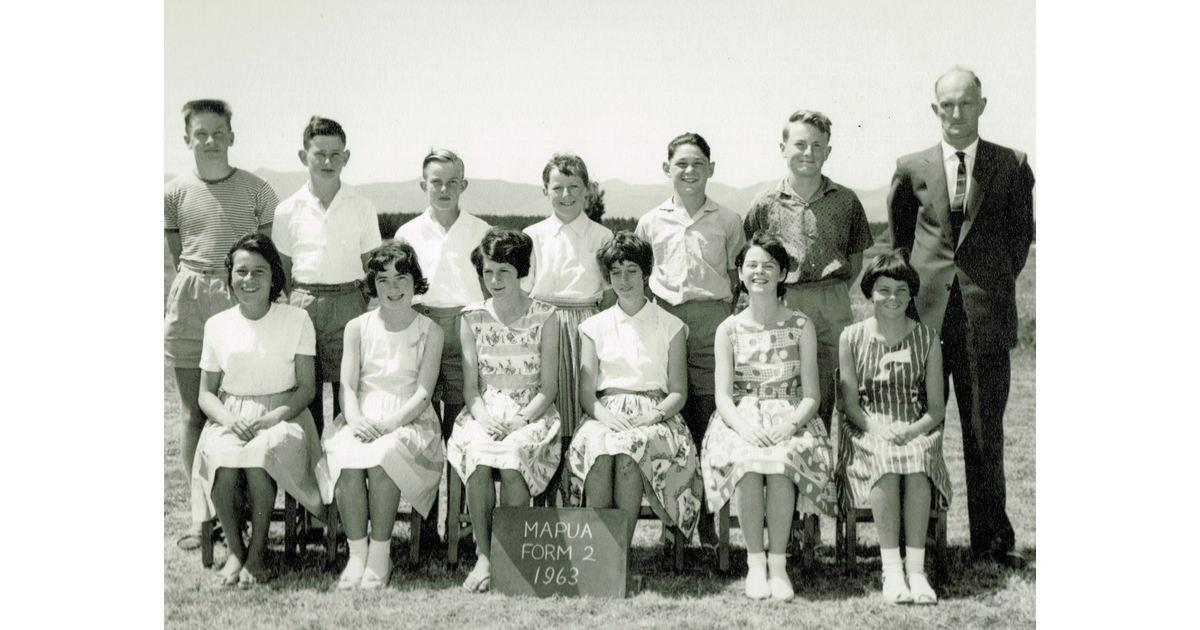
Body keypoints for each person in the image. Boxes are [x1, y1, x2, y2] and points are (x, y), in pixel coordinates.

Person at [887, 67, 1034, 569]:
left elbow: (1019, 241)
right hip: (925, 322)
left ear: (982, 105)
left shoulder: (1011, 165)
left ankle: (991, 541)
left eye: (965, 103)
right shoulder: (912, 167)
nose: (955, 113)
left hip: (984, 320)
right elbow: (901, 241)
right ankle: (925, 540)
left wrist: (984, 286)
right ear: (935, 110)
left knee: (982, 431)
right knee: (922, 429)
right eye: (946, 105)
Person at [165, 99, 279, 550]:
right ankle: (203, 518)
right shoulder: (172, 194)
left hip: (243, 298)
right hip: (190, 303)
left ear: (232, 135)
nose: (210, 141)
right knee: (195, 413)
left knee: (245, 409)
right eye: (200, 133)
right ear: (187, 138)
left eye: (218, 132)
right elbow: (179, 254)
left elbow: (263, 255)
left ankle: (245, 514)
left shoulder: (259, 190)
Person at [701, 232, 836, 601]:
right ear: (741, 275)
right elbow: (723, 396)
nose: (759, 273)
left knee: (780, 461)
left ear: (782, 274)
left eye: (768, 266)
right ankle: (755, 563)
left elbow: (812, 395)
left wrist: (790, 425)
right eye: (751, 266)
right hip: (739, 416)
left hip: (792, 415)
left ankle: (778, 566)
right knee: (746, 460)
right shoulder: (728, 329)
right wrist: (744, 427)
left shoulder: (800, 325)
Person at [192, 234, 327, 587]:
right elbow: (206, 394)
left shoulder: (296, 319)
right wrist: (227, 418)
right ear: (231, 277)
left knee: (260, 455)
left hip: (285, 413)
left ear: (274, 278)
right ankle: (236, 553)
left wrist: (272, 417)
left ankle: (257, 555)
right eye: (242, 272)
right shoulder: (217, 325)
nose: (249, 280)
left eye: (259, 272)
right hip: (231, 414)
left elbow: (307, 388)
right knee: (221, 459)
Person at [635, 132, 744, 547]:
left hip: (711, 323)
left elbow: (735, 280)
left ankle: (708, 526)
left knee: (706, 418)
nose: (689, 170)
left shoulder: (728, 220)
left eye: (698, 163)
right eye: (681, 163)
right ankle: (672, 522)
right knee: (669, 422)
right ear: (667, 169)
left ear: (711, 169)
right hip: (665, 324)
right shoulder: (650, 221)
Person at [566, 232, 705, 551]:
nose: (624, 280)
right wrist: (604, 415)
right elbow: (587, 394)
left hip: (657, 415)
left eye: (631, 271)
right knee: (599, 452)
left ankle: (618, 554)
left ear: (645, 273)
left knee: (629, 454)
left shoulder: (670, 326)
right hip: (605, 411)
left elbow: (678, 392)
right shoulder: (594, 326)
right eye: (616, 272)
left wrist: (651, 417)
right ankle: (598, 554)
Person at [322, 241, 445, 590]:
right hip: (363, 413)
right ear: (372, 285)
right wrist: (356, 419)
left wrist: (392, 424)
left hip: (409, 419)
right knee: (347, 458)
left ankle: (380, 555)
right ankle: (357, 554)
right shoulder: (357, 327)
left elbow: (423, 393)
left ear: (415, 282)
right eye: (383, 280)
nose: (392, 289)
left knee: (383, 458)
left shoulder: (429, 331)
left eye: (401, 279)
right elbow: (347, 385)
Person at [743, 110, 874, 434]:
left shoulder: (846, 201)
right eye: (800, 144)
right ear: (783, 148)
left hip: (832, 302)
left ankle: (826, 471)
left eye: (818, 145)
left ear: (828, 151)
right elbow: (750, 259)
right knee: (784, 388)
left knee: (831, 389)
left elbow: (855, 259)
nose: (808, 153)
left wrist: (830, 292)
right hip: (783, 302)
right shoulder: (764, 203)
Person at [446, 229, 562, 593]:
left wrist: (521, 419)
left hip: (532, 411)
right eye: (488, 272)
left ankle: (510, 555)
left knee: (513, 457)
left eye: (504, 272)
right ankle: (484, 555)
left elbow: (548, 388)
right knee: (478, 455)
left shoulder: (546, 316)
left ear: (520, 272)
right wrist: (484, 418)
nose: (494, 281)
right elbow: (470, 388)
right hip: (485, 410)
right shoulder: (471, 317)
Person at [837, 250, 951, 604]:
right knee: (886, 458)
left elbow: (935, 408)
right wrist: (877, 428)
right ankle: (892, 571)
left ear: (912, 293)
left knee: (916, 461)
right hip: (867, 426)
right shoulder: (851, 337)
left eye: (902, 290)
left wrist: (913, 430)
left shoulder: (927, 339)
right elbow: (850, 405)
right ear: (870, 292)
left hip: (914, 424)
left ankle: (916, 572)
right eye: (884, 290)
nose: (893, 298)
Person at [273, 116, 382, 436]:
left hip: (349, 304)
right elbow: (284, 269)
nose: (328, 161)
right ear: (303, 156)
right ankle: (308, 482)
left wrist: (357, 298)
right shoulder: (288, 209)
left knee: (347, 394)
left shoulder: (362, 206)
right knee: (305, 396)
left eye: (336, 154)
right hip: (303, 304)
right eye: (319, 153)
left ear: (346, 158)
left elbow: (371, 265)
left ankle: (342, 477)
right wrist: (300, 300)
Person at [522, 153, 615, 495]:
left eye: (574, 187)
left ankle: (579, 496)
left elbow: (607, 295)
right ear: (545, 190)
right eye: (557, 187)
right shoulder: (532, 236)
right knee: (550, 411)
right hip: (544, 326)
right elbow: (524, 294)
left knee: (582, 408)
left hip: (588, 328)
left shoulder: (603, 236)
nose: (565, 195)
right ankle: (546, 494)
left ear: (588, 190)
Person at [394, 149, 492, 441]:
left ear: (463, 185)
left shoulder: (482, 231)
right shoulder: (408, 233)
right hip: (421, 326)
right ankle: (428, 487)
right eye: (436, 182)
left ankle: (458, 483)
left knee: (461, 419)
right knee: (422, 422)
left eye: (452, 182)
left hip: (467, 327)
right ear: (424, 186)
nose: (444, 189)